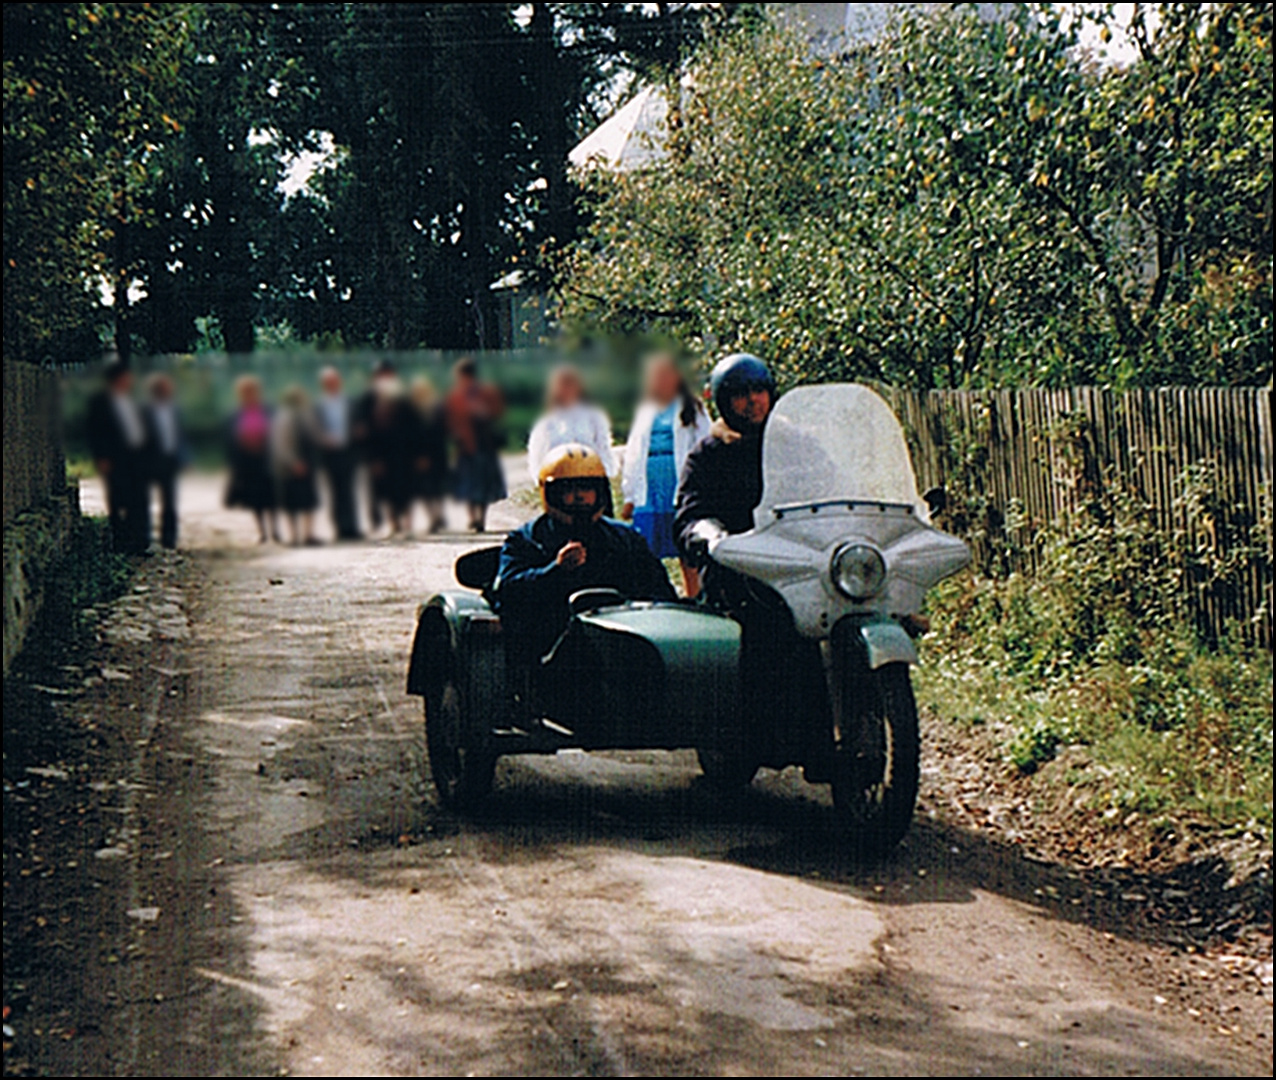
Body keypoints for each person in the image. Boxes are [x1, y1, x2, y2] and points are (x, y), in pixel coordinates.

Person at [674, 353, 825, 769]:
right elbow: (688, 514)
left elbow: (835, 485)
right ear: (724, 401)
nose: (753, 401)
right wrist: (710, 535)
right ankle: (760, 740)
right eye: (740, 394)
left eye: (759, 391)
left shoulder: (798, 446)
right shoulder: (708, 455)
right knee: (769, 629)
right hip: (738, 571)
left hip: (800, 565)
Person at [493, 443, 675, 666]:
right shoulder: (527, 540)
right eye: (568, 491)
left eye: (587, 490)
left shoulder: (626, 539)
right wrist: (556, 571)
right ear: (549, 493)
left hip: (621, 647)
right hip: (547, 651)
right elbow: (508, 592)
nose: (579, 497)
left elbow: (661, 593)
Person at [621, 352, 712, 597]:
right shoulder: (645, 410)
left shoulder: (691, 407)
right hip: (650, 489)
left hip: (678, 484)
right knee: (647, 548)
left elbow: (705, 444)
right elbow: (633, 453)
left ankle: (694, 595)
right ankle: (655, 596)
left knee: (685, 548)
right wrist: (629, 494)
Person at [86, 358, 150, 554]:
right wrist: (102, 457)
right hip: (115, 458)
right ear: (117, 378)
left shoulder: (131, 400)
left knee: (139, 499)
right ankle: (121, 543)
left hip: (136, 457)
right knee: (119, 499)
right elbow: (96, 432)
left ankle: (140, 542)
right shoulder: (100, 403)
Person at [527, 364, 618, 482]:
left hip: (589, 477)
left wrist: (607, 474)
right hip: (558, 479)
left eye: (570, 384)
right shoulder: (545, 421)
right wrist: (539, 479)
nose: (567, 389)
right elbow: (537, 454)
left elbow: (604, 447)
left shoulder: (594, 416)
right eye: (563, 385)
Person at [445, 357, 506, 533]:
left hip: (484, 444)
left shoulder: (486, 393)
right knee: (468, 485)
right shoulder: (456, 395)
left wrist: (483, 413)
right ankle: (473, 518)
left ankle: (480, 518)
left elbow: (497, 413)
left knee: (483, 485)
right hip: (465, 445)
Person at [361, 363, 415, 537]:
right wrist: (372, 457)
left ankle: (405, 522)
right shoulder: (368, 401)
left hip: (402, 452)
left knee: (404, 488)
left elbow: (414, 426)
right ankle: (391, 522)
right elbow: (363, 430)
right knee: (382, 490)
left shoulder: (403, 400)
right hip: (379, 452)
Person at [225, 374, 278, 544]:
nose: (249, 395)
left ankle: (276, 530)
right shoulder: (236, 415)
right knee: (255, 498)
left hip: (267, 459)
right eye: (245, 392)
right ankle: (262, 531)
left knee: (272, 495)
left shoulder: (269, 411)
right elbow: (231, 440)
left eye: (252, 391)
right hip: (248, 462)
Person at [271, 384, 322, 546]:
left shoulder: (308, 414)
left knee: (309, 501)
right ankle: (294, 536)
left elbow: (315, 436)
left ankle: (309, 534)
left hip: (308, 463)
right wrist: (293, 463)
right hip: (290, 467)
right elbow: (280, 445)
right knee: (291, 502)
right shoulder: (282, 417)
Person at [315, 366, 362, 541]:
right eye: (328, 382)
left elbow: (358, 422)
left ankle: (352, 527)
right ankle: (340, 528)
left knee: (349, 489)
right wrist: (323, 438)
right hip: (329, 453)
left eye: (334, 381)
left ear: (339, 383)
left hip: (348, 450)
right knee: (334, 491)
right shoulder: (320, 405)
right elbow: (315, 428)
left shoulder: (349, 402)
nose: (331, 385)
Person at [143, 372, 187, 550]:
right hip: (150, 461)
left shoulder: (175, 410)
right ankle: (145, 537)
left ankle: (169, 539)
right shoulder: (145, 411)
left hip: (170, 460)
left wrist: (184, 458)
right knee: (145, 501)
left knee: (170, 501)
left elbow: (181, 436)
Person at [406, 375, 450, 534]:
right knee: (424, 490)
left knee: (437, 488)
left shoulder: (437, 409)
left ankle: (438, 516)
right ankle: (433, 517)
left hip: (437, 454)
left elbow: (442, 432)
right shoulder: (413, 413)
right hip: (421, 456)